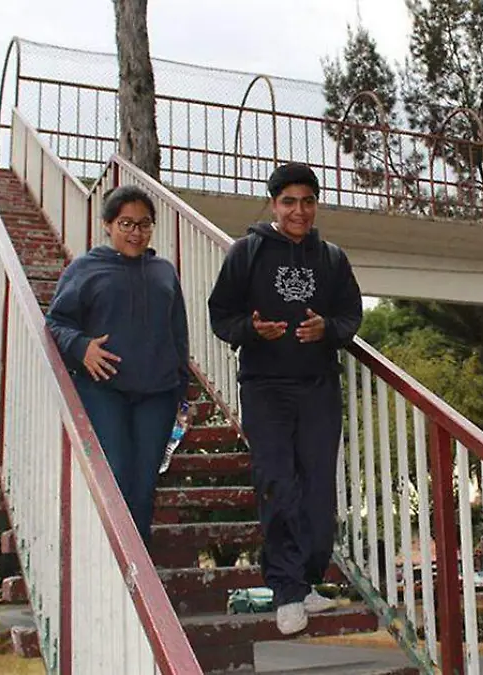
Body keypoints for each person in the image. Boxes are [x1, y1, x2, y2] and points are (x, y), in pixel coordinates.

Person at [208, 162, 363, 636]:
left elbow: (350, 314)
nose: (299, 211)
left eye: (308, 201)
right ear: (274, 204)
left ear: (316, 205)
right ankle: (286, 590)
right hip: (265, 388)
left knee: (317, 490)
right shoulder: (246, 253)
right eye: (289, 202)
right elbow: (221, 316)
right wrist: (251, 331)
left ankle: (308, 579)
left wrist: (328, 330)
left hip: (318, 388)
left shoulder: (333, 258)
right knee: (279, 485)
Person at [47, 185, 190, 544]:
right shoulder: (85, 268)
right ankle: (111, 563)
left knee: (143, 488)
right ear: (107, 225)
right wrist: (82, 348)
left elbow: (178, 335)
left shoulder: (163, 272)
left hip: (157, 396)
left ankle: (135, 578)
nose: (135, 232)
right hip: (103, 391)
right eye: (126, 223)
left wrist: (183, 395)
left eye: (144, 224)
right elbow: (56, 322)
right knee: (116, 478)